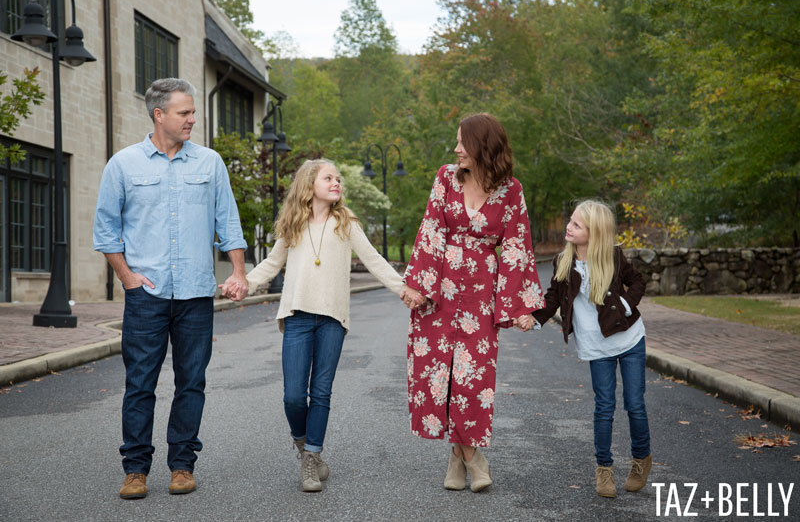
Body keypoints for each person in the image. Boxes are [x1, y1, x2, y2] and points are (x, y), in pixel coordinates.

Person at [93, 78, 248, 499]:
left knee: (191, 381)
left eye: (193, 112)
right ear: (159, 115)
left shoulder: (210, 163)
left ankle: (182, 464)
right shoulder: (123, 164)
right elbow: (106, 230)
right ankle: (135, 469)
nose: (192, 120)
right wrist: (127, 278)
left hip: (196, 293)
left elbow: (227, 222)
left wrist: (239, 272)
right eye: (184, 113)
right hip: (147, 295)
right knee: (140, 383)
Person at [245, 158, 421, 492]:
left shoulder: (347, 222)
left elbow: (373, 260)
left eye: (338, 178)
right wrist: (245, 284)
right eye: (329, 178)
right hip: (297, 317)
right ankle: (302, 442)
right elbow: (271, 263)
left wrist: (404, 289)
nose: (337, 182)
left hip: (332, 320)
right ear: (309, 184)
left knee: (321, 392)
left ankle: (311, 458)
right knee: (294, 396)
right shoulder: (293, 224)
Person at [402, 113, 544, 492]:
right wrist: (417, 284)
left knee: (472, 376)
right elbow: (431, 228)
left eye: (463, 142)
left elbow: (517, 246)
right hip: (439, 289)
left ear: (483, 145)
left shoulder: (511, 191)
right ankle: (470, 457)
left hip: (482, 290)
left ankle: (462, 455)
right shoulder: (445, 178)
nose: (456, 148)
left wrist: (521, 305)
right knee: (438, 376)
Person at [516, 200, 651, 498]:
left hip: (629, 341)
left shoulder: (613, 257)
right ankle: (604, 469)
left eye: (577, 225)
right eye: (571, 220)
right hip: (595, 346)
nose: (569, 226)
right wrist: (533, 318)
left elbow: (637, 281)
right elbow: (552, 298)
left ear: (595, 232)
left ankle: (641, 461)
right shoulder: (563, 261)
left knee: (634, 404)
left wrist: (627, 305)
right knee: (604, 407)